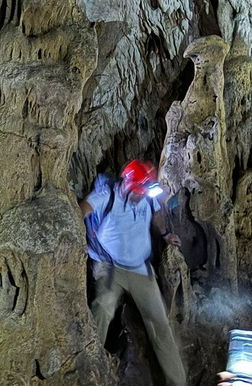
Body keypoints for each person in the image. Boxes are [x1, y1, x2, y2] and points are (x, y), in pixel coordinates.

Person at [80, 159, 186, 386]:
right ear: (126, 185)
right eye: (138, 192)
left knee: (160, 325)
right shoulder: (106, 197)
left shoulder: (146, 196)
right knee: (101, 309)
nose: (141, 196)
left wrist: (165, 233)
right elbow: (83, 210)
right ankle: (90, 370)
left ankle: (177, 382)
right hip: (110, 268)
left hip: (139, 269)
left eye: (144, 192)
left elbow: (156, 211)